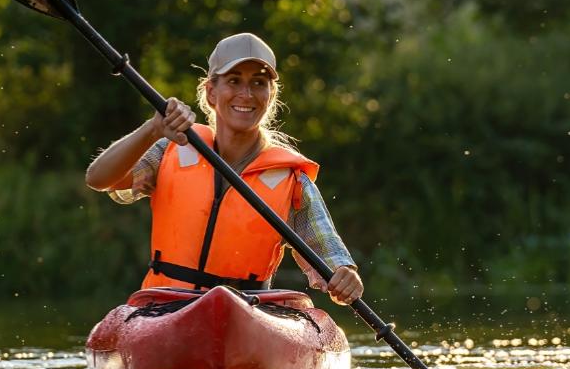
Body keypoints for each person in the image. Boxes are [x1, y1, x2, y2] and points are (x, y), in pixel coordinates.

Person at [85, 32, 364, 305]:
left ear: (270, 95)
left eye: (258, 83)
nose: (246, 93)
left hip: (248, 312)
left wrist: (346, 276)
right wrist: (152, 129)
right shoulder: (172, 151)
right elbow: (98, 179)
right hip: (165, 306)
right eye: (234, 81)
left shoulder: (290, 179)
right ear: (210, 92)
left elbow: (333, 262)